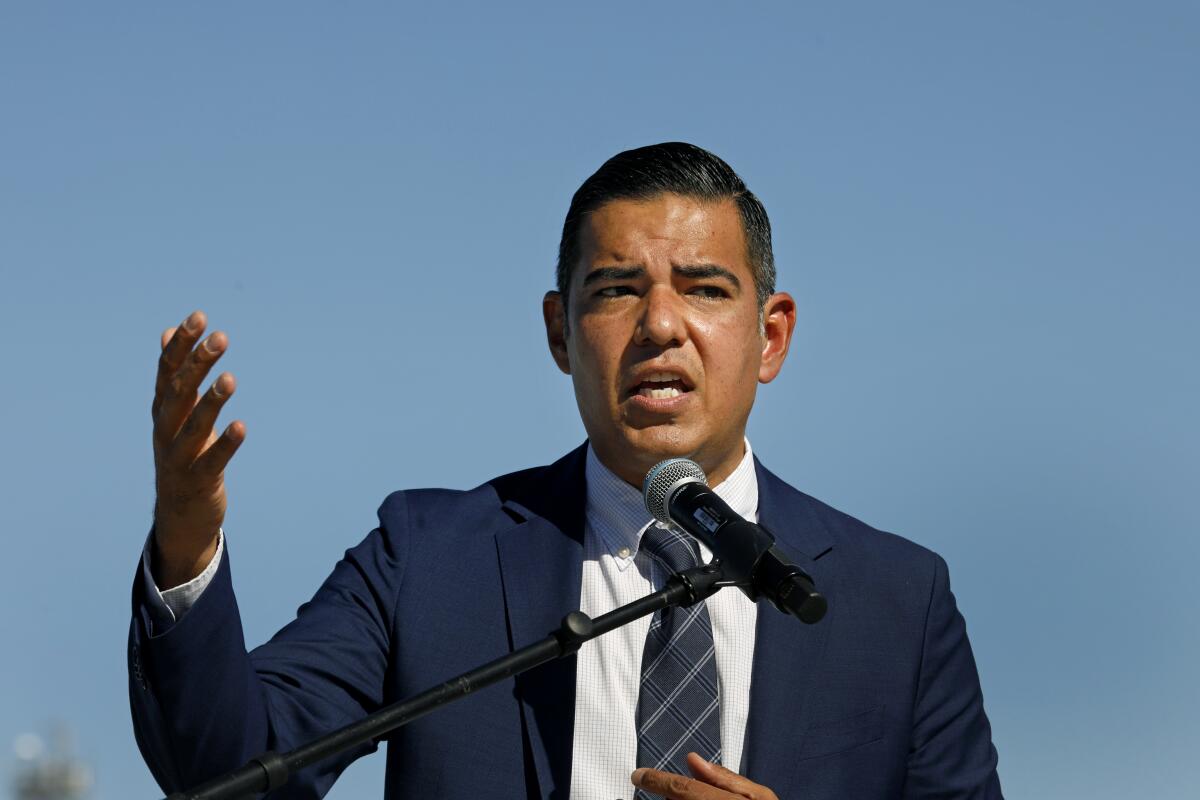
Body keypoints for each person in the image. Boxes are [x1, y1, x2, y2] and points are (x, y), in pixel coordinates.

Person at [130, 142, 1002, 799]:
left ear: (770, 335)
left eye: (703, 288)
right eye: (616, 289)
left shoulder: (898, 601)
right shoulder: (428, 559)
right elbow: (230, 775)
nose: (660, 323)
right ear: (559, 332)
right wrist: (186, 534)